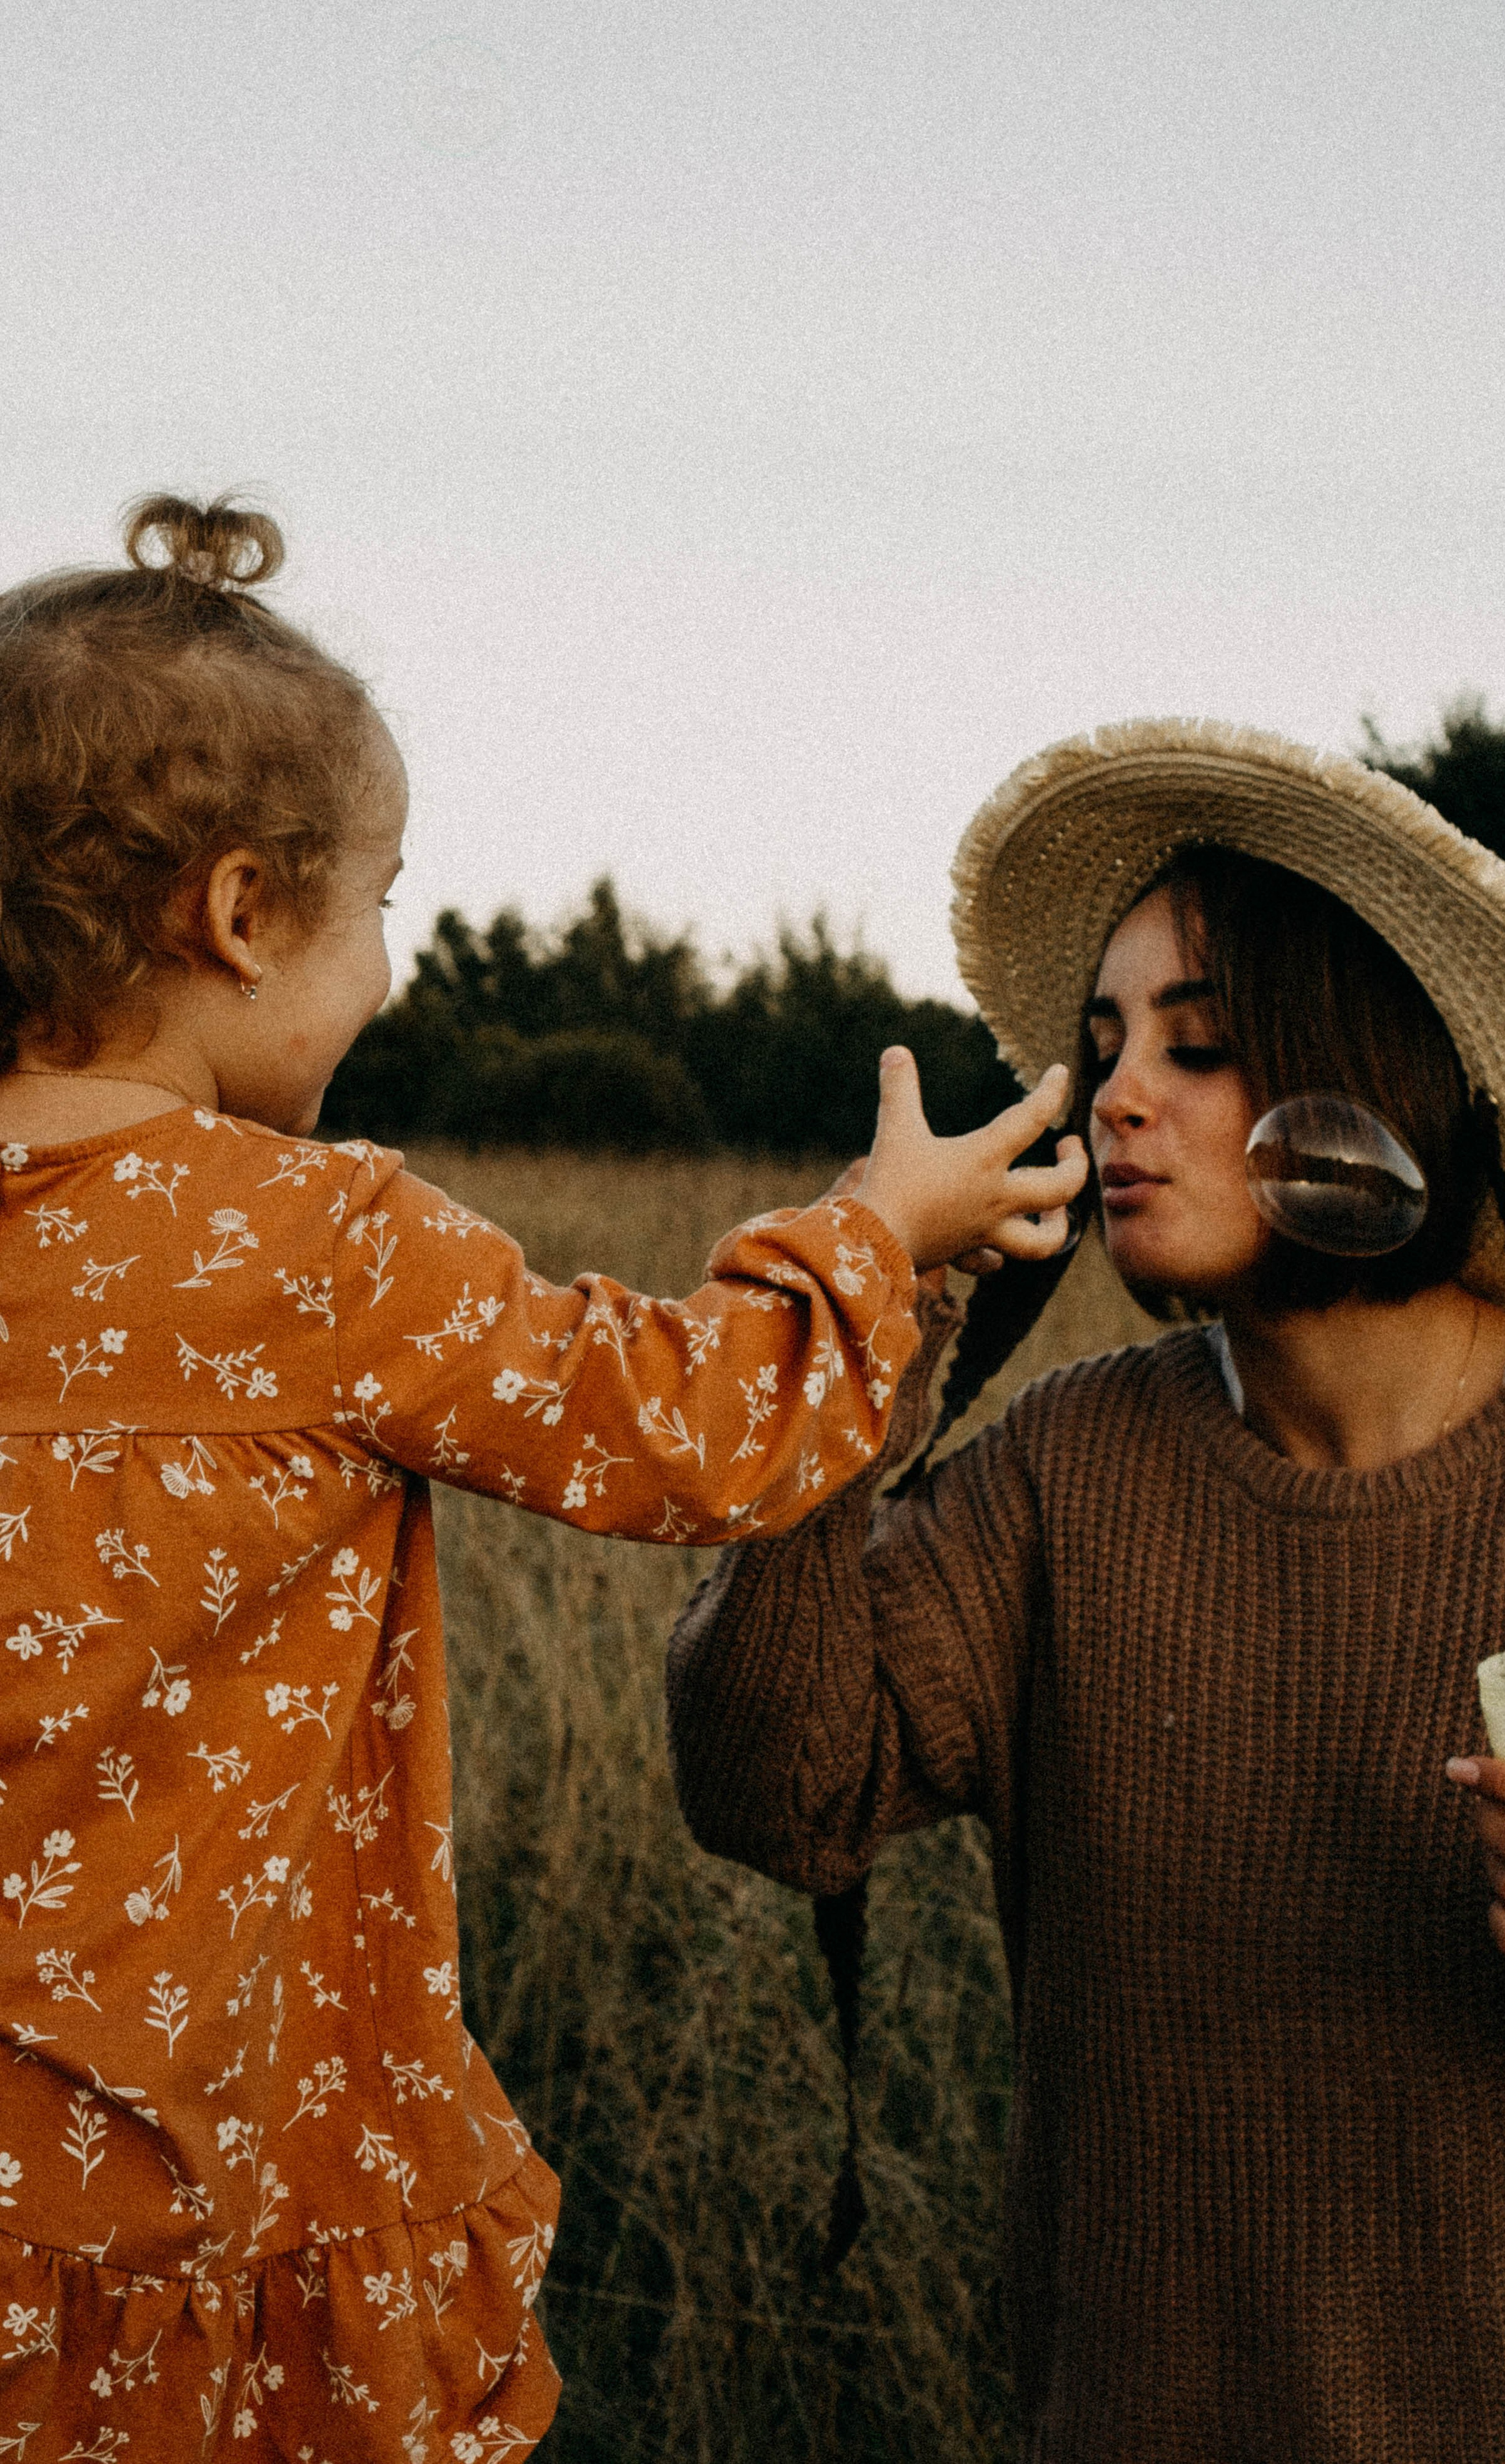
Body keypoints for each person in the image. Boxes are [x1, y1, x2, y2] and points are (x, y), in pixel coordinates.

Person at [0, 495, 1087, 2462]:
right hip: (218, 2182)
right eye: (383, 903)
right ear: (239, 917)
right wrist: (882, 1234)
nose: (394, 964)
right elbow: (686, 1427)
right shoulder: (318, 1249)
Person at [667, 717, 1505, 2463]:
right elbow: (776, 1794)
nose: (1117, 1098)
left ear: (1374, 1080)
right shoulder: (1067, 1470)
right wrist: (855, 1337)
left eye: (1198, 1047)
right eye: (1104, 1045)